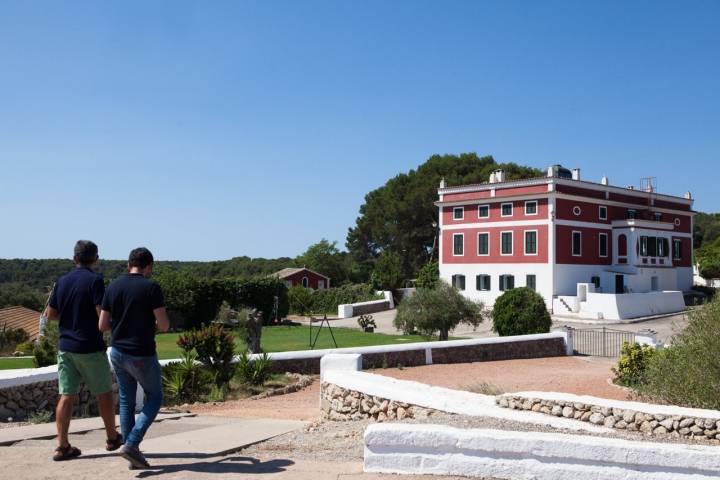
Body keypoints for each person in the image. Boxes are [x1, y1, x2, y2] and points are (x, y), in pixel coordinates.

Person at [46, 240, 122, 461]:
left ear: (74, 258)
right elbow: (102, 315)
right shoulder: (95, 281)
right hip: (89, 346)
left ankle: (62, 445)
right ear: (95, 258)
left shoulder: (62, 281)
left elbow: (51, 314)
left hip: (66, 347)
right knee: (104, 393)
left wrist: (70, 320)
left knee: (66, 395)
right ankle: (112, 437)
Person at [99, 247, 169, 469]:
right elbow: (164, 325)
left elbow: (102, 325)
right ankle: (132, 444)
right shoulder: (151, 287)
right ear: (148, 266)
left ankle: (132, 453)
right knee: (155, 397)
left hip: (118, 352)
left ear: (129, 264)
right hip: (142, 353)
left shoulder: (113, 286)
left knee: (127, 402)